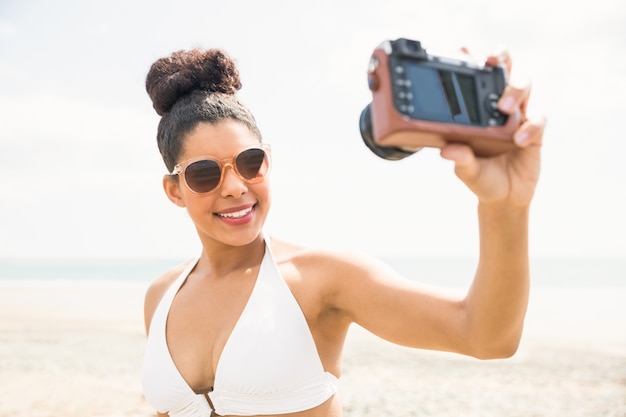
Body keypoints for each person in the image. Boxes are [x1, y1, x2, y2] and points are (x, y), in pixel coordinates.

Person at [140, 47, 545, 417]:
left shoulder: (320, 278)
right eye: (205, 173)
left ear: (268, 162)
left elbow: (488, 336)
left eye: (249, 162)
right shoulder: (161, 297)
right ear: (174, 190)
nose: (233, 186)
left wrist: (506, 207)